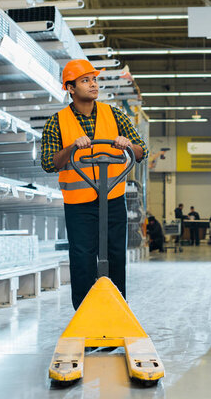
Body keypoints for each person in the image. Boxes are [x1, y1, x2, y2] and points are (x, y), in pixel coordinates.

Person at [40, 59, 148, 310]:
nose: (93, 84)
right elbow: (48, 162)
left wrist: (127, 144)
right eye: (85, 80)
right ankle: (85, 318)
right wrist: (71, 148)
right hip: (78, 206)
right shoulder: (57, 122)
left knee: (115, 258)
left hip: (112, 200)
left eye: (94, 79)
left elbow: (142, 152)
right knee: (82, 261)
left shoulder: (115, 115)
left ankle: (116, 314)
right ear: (70, 88)